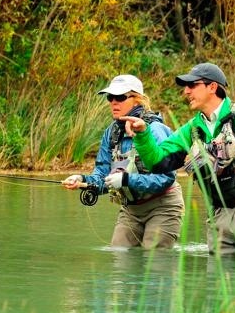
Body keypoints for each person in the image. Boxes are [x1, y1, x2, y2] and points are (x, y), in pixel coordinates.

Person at [121, 63, 235, 257]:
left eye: (192, 85)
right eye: (185, 87)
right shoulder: (192, 129)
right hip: (219, 218)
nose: (186, 91)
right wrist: (142, 134)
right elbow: (157, 162)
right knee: (219, 285)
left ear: (213, 87)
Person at [62, 74, 184, 249]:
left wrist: (126, 180)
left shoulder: (155, 130)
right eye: (110, 97)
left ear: (137, 100)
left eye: (120, 97)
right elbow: (102, 174)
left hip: (163, 206)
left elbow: (166, 178)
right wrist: (83, 180)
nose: (113, 102)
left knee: (153, 260)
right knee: (119, 255)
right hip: (131, 209)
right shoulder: (111, 133)